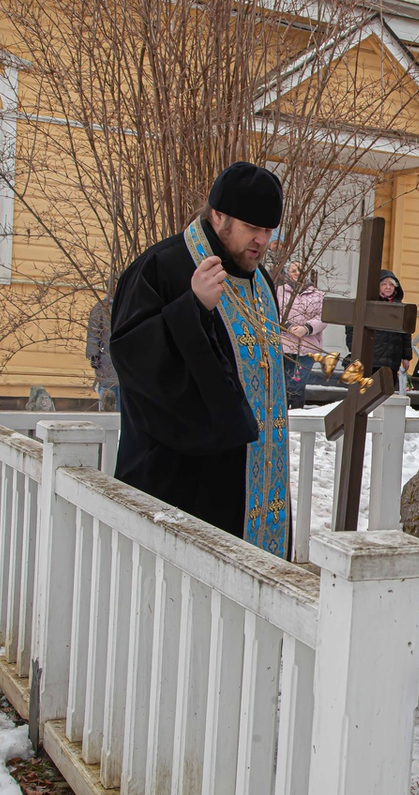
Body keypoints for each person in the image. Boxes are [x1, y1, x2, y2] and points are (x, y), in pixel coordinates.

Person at [110, 161, 291, 558]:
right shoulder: (160, 267)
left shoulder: (260, 282)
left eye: (268, 231)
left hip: (253, 487)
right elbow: (131, 358)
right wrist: (192, 309)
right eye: (251, 229)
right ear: (218, 215)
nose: (261, 241)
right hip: (183, 484)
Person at [277, 260, 327, 409]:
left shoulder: (318, 295)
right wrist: (287, 326)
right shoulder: (280, 292)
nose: (297, 273)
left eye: (300, 270)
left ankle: (297, 413)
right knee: (284, 384)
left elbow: (324, 317)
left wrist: (306, 328)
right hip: (284, 345)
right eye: (293, 271)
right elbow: (274, 311)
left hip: (307, 347)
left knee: (297, 385)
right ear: (288, 274)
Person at [345, 270, 412, 377]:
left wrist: (406, 357)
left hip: (392, 359)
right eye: (384, 284)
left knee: (387, 389)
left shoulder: (401, 308)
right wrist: (354, 349)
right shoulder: (367, 305)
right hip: (370, 358)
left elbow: (406, 335)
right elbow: (352, 329)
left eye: (391, 284)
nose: (388, 287)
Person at [86, 294, 120, 411]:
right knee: (108, 397)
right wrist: (94, 355)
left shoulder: (132, 304)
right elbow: (93, 333)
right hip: (107, 362)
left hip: (127, 363)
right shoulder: (101, 308)